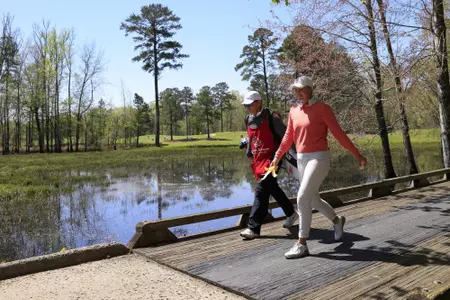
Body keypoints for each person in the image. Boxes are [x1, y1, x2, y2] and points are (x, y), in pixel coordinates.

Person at [270, 76, 367, 259]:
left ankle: (302, 244)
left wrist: (357, 154)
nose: (298, 93)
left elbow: (339, 134)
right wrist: (276, 158)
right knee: (313, 200)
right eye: (295, 90)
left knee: (302, 198)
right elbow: (287, 138)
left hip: (319, 158)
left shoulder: (323, 108)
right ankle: (337, 221)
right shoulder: (293, 111)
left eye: (301, 89)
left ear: (310, 89)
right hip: (301, 159)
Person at [239, 91, 299, 240]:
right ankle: (291, 213)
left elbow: (287, 137)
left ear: (259, 102)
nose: (247, 107)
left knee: (261, 189)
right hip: (258, 160)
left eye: (250, 104)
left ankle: (253, 228)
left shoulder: (272, 118)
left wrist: (297, 156)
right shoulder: (248, 119)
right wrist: (248, 150)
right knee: (271, 188)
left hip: (273, 159)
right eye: (246, 104)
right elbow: (252, 138)